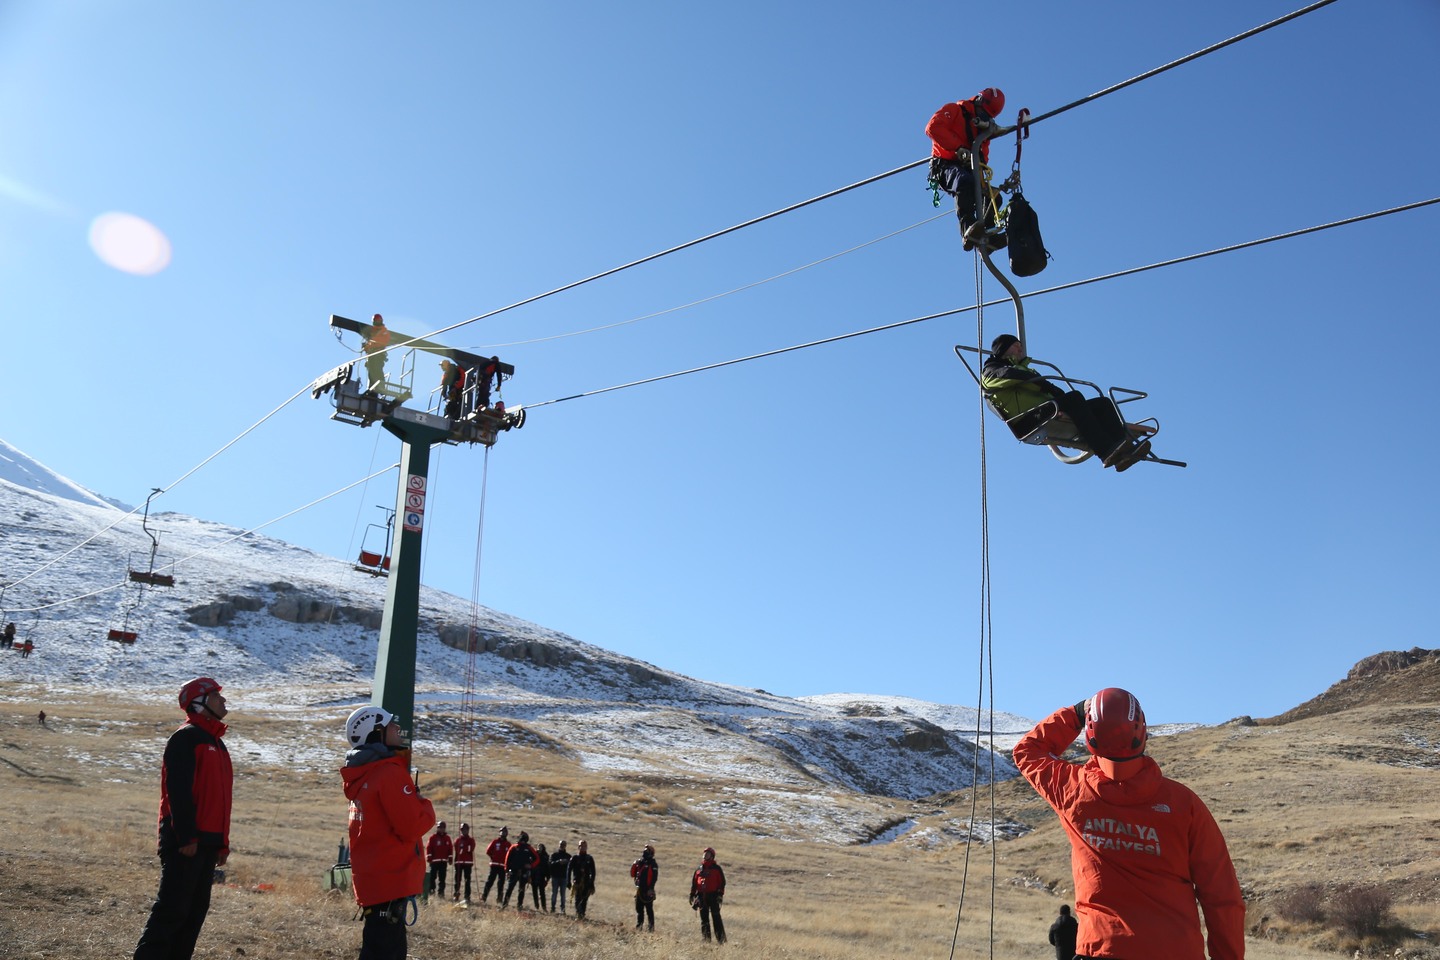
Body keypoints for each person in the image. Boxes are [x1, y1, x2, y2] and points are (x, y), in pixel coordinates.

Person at [1013, 688, 1245, 960]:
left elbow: (1027, 751)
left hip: (1101, 949)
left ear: (1091, 736)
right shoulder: (1184, 804)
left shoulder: (1071, 789)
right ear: (1141, 731)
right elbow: (1222, 898)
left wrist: (1077, 713)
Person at [133, 677, 233, 960]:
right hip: (185, 840)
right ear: (199, 702)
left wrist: (221, 844)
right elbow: (177, 792)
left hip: (208, 842)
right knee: (172, 911)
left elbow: (219, 801)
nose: (224, 701)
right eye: (216, 696)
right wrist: (186, 837)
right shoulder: (185, 738)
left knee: (193, 915)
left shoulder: (218, 744)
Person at [341, 705, 435, 960]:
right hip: (390, 879)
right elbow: (412, 826)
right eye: (391, 724)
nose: (397, 728)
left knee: (374, 948)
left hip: (374, 880)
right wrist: (423, 803)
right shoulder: (389, 773)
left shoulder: (362, 775)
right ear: (376, 732)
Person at [981, 333, 1151, 471]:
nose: (1020, 350)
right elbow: (1018, 377)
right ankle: (1106, 451)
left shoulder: (1019, 367)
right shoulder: (991, 370)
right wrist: (1046, 386)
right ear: (1003, 349)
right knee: (1074, 398)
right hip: (1028, 418)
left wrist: (1047, 387)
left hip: (1044, 409)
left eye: (1021, 346)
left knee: (1102, 404)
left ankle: (1123, 448)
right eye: (1016, 346)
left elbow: (1030, 378)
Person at [926, 87, 1009, 250]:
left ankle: (987, 237)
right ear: (977, 101)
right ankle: (968, 230)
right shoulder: (954, 110)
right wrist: (957, 147)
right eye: (982, 112)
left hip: (967, 169)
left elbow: (983, 155)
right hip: (944, 165)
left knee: (994, 197)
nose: (981, 117)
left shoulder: (981, 130)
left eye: (986, 116)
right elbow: (933, 127)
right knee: (964, 182)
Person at [689, 846, 727, 944]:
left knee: (716, 918)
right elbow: (694, 883)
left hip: (713, 896)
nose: (705, 855)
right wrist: (692, 894)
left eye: (708, 854)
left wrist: (720, 895)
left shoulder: (717, 869)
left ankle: (721, 941)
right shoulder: (698, 869)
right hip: (701, 897)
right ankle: (706, 940)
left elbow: (722, 882)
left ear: (712, 856)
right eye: (704, 853)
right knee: (704, 919)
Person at [502, 830, 536, 909]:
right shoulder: (514, 847)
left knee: (521, 889)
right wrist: (506, 870)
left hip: (524, 871)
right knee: (510, 888)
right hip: (514, 871)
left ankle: (519, 905)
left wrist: (531, 865)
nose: (523, 841)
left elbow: (537, 858)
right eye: (522, 839)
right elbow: (507, 859)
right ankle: (504, 904)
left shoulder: (529, 848)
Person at [630, 844, 659, 931]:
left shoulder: (653, 864)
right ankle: (639, 926)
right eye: (644, 850)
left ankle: (651, 928)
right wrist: (634, 865)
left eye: (647, 851)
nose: (645, 852)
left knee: (649, 910)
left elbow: (654, 878)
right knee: (639, 909)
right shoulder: (640, 862)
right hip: (639, 889)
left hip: (648, 890)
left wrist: (651, 889)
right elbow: (632, 874)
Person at [481, 826, 510, 903]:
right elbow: (488, 851)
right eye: (501, 832)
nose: (503, 833)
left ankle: (499, 899)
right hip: (494, 865)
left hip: (503, 867)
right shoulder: (495, 842)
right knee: (489, 882)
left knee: (501, 884)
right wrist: (492, 857)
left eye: (504, 832)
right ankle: (484, 897)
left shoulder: (508, 844)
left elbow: (510, 856)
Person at [362, 314, 391, 393]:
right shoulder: (372, 331)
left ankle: (381, 387)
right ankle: (372, 387)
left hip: (378, 354)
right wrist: (366, 346)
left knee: (377, 370)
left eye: (378, 321)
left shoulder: (384, 331)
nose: (377, 322)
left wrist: (371, 344)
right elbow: (370, 344)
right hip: (371, 354)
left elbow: (383, 341)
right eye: (376, 321)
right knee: (371, 370)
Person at [570, 839, 596, 920]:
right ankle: (578, 914)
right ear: (578, 847)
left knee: (584, 899)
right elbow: (569, 870)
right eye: (581, 846)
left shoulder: (589, 858)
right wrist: (568, 881)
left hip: (586, 882)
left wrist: (591, 882)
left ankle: (582, 914)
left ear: (586, 847)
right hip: (577, 882)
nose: (583, 847)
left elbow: (593, 871)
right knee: (577, 898)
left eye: (584, 846)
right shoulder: (574, 858)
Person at [426, 821, 452, 901]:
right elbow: (428, 848)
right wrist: (429, 858)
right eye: (439, 827)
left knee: (442, 878)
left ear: (444, 828)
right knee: (432, 877)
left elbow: (450, 849)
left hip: (443, 862)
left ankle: (441, 893)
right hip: (434, 862)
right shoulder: (432, 838)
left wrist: (450, 858)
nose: (441, 829)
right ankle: (431, 891)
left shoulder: (447, 838)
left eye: (442, 828)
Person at [452, 823, 475, 902]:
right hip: (458, 862)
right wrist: (463, 849)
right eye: (462, 830)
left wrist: (463, 848)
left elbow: (470, 849)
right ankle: (456, 895)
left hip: (468, 863)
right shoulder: (458, 840)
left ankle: (467, 896)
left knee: (467, 880)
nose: (463, 831)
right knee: (457, 880)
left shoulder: (471, 840)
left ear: (468, 830)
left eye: (465, 829)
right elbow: (458, 850)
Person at [548, 839, 572, 913]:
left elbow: (571, 867)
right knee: (554, 894)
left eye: (563, 844)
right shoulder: (554, 855)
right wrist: (559, 862)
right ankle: (552, 908)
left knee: (563, 895)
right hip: (555, 877)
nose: (562, 846)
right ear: (559, 845)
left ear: (565, 846)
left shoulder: (568, 856)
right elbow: (550, 864)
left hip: (564, 878)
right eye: (561, 844)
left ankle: (563, 910)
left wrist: (566, 862)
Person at [530, 842, 550, 909]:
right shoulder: (534, 854)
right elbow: (531, 864)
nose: (539, 848)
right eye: (538, 846)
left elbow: (547, 867)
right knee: (534, 892)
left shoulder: (546, 856)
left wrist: (548, 877)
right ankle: (536, 906)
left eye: (541, 847)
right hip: (534, 875)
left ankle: (544, 907)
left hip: (542, 876)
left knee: (542, 893)